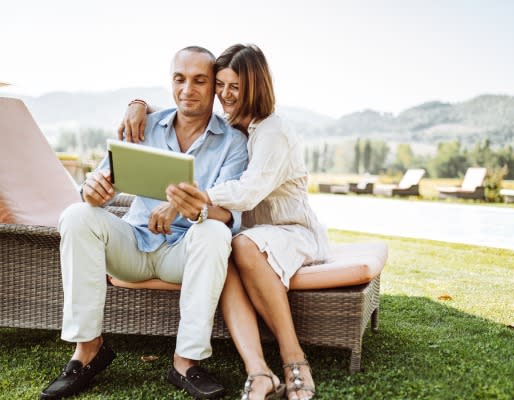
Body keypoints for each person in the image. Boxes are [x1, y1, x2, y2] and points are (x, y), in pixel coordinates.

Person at [40, 46, 248, 400]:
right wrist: (92, 191)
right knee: (76, 215)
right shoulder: (145, 125)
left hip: (184, 252)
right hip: (133, 243)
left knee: (213, 232)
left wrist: (185, 207)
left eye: (199, 81)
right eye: (179, 79)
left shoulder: (234, 143)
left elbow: (228, 214)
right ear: (170, 81)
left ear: (214, 86)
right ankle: (87, 350)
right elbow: (101, 185)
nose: (187, 89)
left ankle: (186, 361)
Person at [122, 44, 328, 400]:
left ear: (256, 86)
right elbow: (178, 112)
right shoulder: (236, 127)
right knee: (227, 247)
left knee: (241, 244)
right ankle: (259, 372)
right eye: (221, 84)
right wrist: (140, 104)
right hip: (252, 235)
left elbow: (248, 192)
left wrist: (183, 200)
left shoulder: (272, 130)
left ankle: (295, 360)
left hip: (291, 231)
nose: (226, 95)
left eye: (236, 87)